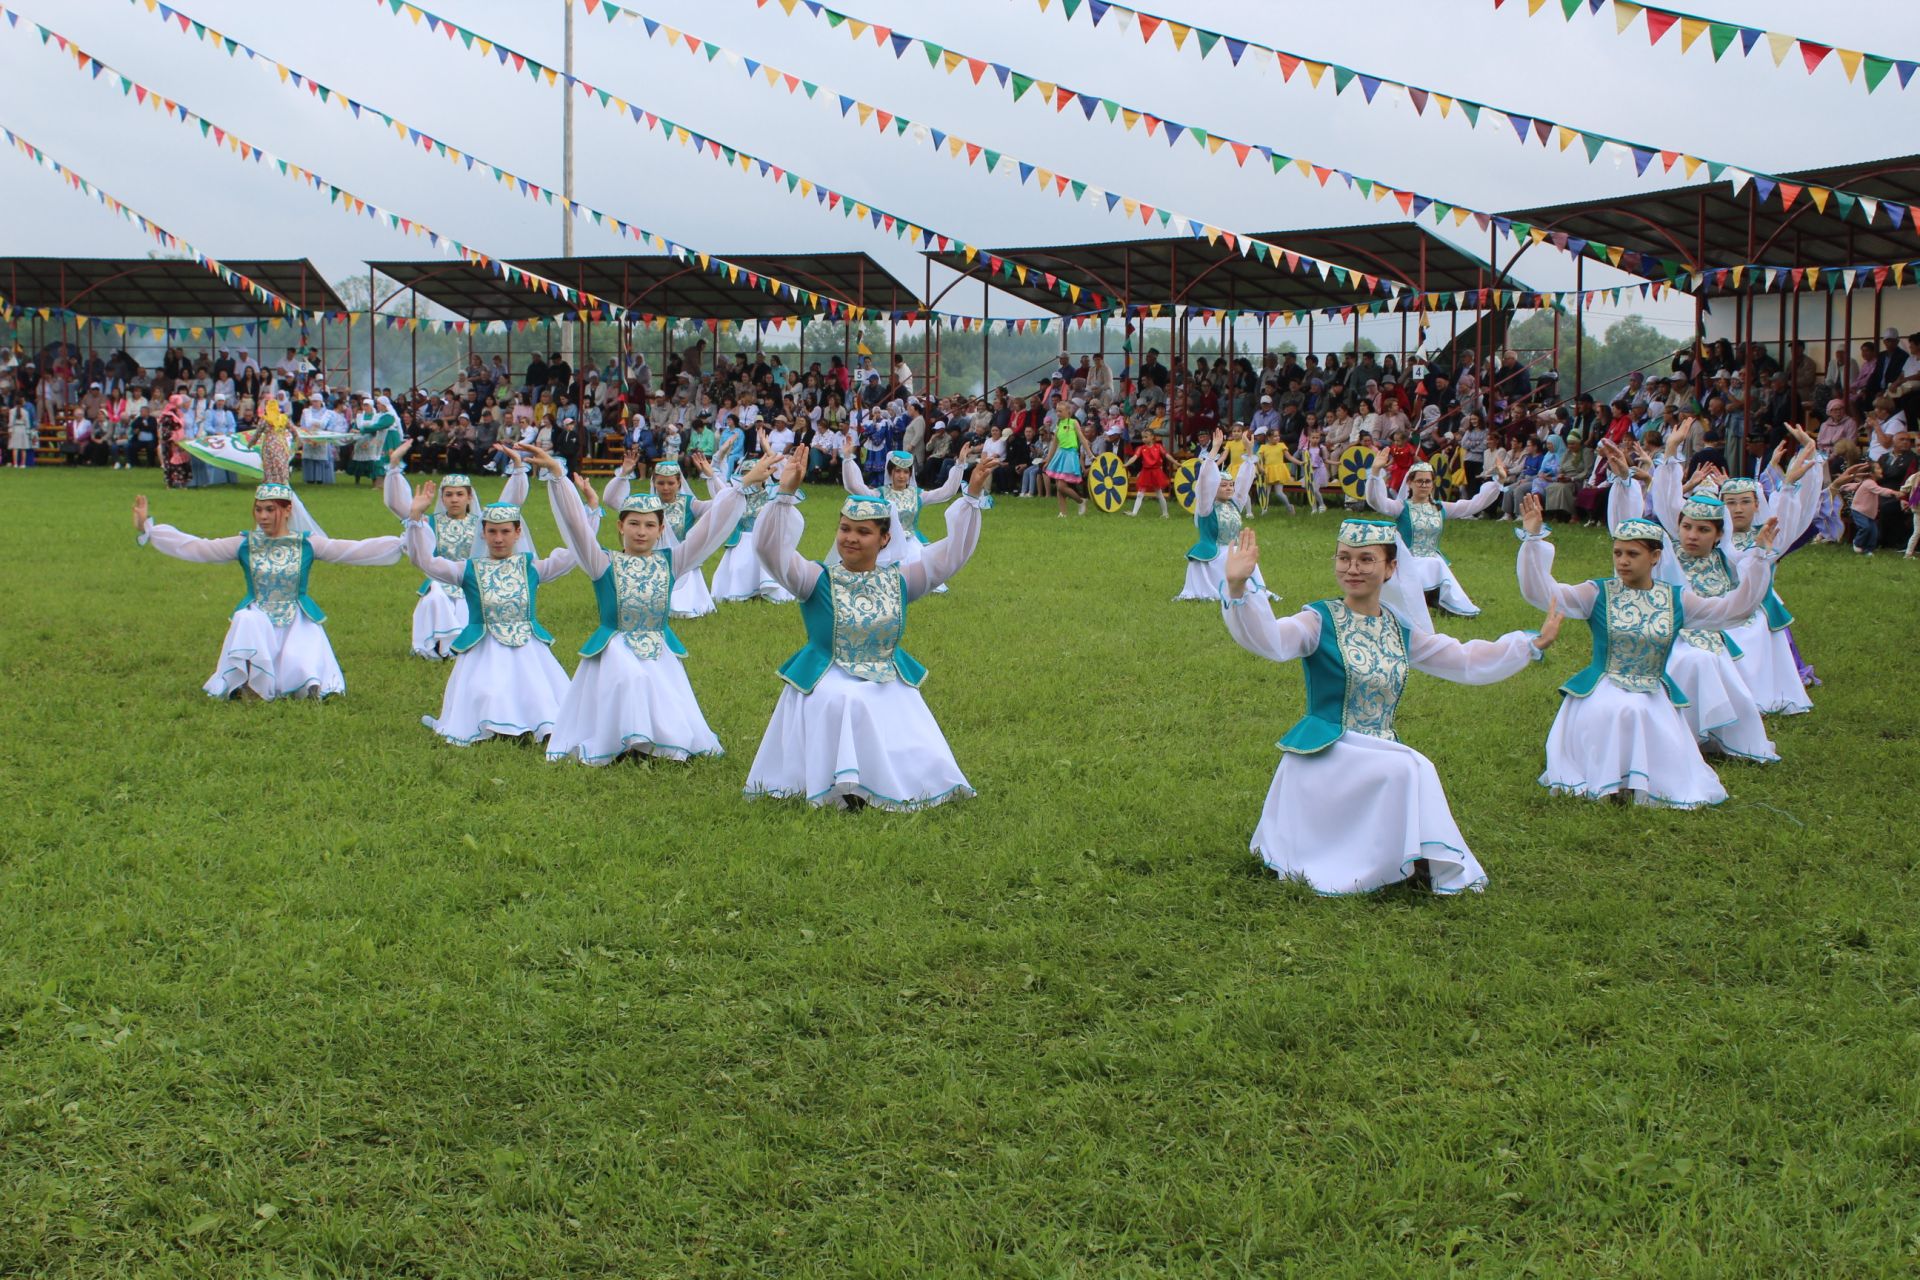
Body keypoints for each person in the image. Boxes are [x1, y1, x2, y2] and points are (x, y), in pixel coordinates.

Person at [1218, 522, 1561, 895]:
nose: (1353, 568)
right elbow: (1270, 640)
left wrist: (1527, 644)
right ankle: (1401, 867)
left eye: (1366, 559)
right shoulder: (1318, 620)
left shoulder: (1397, 626)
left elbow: (1459, 657)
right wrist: (1238, 588)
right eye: (1344, 558)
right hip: (1329, 748)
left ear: (1391, 568)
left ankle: (1409, 863)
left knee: (1406, 764)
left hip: (1380, 745)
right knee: (1412, 766)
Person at [744, 450, 998, 810]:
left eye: (863, 532)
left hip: (886, 673)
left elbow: (951, 555)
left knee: (886, 697)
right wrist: (784, 496)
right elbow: (771, 551)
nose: (850, 538)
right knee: (848, 699)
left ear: (884, 539)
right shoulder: (816, 579)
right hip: (827, 675)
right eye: (845, 529)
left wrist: (971, 496)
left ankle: (888, 780)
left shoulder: (900, 580)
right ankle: (843, 786)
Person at [1516, 494, 1782, 808]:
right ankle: (1609, 777)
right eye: (1617, 553)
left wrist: (1760, 560)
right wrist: (1533, 539)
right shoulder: (1597, 592)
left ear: (1655, 557)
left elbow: (1733, 610)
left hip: (1653, 690)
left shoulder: (1676, 599)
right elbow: (1543, 593)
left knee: (1642, 711)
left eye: (1632, 554)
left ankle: (1639, 779)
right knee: (1625, 709)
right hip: (1604, 686)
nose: (1622, 561)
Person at [529, 441, 757, 764]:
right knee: (631, 678)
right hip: (614, 647)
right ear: (620, 526)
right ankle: (626, 741)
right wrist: (558, 478)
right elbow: (577, 528)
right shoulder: (602, 562)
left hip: (659, 647)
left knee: (659, 692)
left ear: (661, 529)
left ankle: (655, 742)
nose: (641, 532)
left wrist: (742, 486)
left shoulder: (672, 561)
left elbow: (710, 528)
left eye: (650, 525)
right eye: (633, 523)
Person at [131, 484, 404, 701]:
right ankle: (252, 685)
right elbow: (198, 547)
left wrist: (406, 541)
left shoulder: (307, 544)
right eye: (258, 509)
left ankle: (298, 682)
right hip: (258, 616)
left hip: (296, 618)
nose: (262, 516)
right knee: (245, 619)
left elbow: (353, 550)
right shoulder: (244, 543)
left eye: (269, 510)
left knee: (304, 659)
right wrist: (150, 528)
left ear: (287, 511)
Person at [1601, 439, 1777, 763]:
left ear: (1718, 535)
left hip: (1710, 633)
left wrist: (1761, 554)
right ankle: (1676, 736)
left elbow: (1746, 594)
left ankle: (1705, 736)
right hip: (1666, 632)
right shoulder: (1665, 553)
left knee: (1705, 660)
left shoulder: (1729, 557)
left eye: (1702, 530)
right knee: (1691, 660)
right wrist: (1630, 481)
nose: (1692, 535)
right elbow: (1628, 532)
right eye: (1686, 527)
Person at [402, 481, 579, 746]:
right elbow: (425, 561)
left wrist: (584, 512)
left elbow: (576, 553)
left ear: (518, 532)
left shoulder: (532, 567)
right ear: (482, 533)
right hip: (483, 648)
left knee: (538, 690)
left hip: (528, 646)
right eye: (492, 532)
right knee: (488, 691)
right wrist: (416, 519)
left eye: (505, 531)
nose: (498, 538)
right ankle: (497, 724)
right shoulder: (468, 569)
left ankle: (539, 724)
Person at [381, 440, 531, 658]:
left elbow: (510, 504)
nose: (454, 499)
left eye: (460, 494)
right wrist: (394, 466)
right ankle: (437, 646)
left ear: (469, 497)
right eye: (449, 494)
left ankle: (454, 646)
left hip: (472, 581)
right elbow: (401, 507)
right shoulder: (429, 522)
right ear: (442, 497)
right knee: (436, 597)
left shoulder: (483, 523)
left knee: (465, 604)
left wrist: (518, 466)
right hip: (439, 582)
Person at [1363, 457, 1508, 628]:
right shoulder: (1402, 507)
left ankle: (1435, 600)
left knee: (1434, 565)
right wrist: (1374, 474)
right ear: (1410, 483)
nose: (1424, 485)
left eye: (1427, 481)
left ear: (1432, 484)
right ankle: (1422, 601)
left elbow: (1474, 505)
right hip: (1407, 562)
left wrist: (1499, 481)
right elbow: (1378, 502)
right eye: (1419, 481)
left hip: (1433, 560)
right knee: (1429, 567)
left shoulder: (1440, 507)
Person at [837, 445, 974, 596]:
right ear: (891, 473)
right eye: (898, 471)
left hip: (910, 544)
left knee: (920, 575)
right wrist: (848, 459)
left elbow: (946, 492)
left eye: (906, 472)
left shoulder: (917, 495)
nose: (902, 476)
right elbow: (854, 486)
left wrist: (960, 464)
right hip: (885, 544)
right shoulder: (880, 494)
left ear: (910, 474)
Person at [603, 457, 717, 619]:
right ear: (653, 483)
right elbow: (610, 500)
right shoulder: (645, 504)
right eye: (661, 483)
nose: (665, 488)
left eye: (671, 483)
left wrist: (712, 476)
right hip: (648, 564)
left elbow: (723, 504)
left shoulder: (690, 504)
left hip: (681, 564)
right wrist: (623, 474)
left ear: (679, 483)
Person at [1177, 430, 1265, 602]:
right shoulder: (1206, 508)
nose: (1229, 488)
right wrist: (1214, 450)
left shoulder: (1235, 503)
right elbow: (1205, 480)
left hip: (1232, 549)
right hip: (1214, 552)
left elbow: (1245, 481)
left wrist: (1249, 452)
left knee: (1243, 555)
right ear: (1214, 487)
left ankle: (1246, 588)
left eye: (1231, 485)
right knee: (1229, 556)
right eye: (1224, 485)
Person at [1045, 401, 1087, 516]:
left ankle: (1080, 500)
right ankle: (1063, 512)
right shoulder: (1059, 425)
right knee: (1059, 486)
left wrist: (1089, 453)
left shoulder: (1074, 423)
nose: (1058, 413)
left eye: (1060, 411)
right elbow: (1054, 444)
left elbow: (1082, 439)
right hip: (1060, 455)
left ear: (1068, 411)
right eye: (1057, 411)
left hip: (1070, 455)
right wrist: (1048, 460)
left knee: (1061, 486)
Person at [1125, 431, 1173, 517]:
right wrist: (1126, 464)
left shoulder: (1158, 447)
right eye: (1143, 437)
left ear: (1152, 437)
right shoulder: (1141, 448)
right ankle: (1134, 513)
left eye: (1146, 437)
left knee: (1159, 493)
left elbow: (1167, 455)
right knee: (1140, 493)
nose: (1144, 439)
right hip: (1145, 473)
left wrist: (1176, 462)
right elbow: (1134, 457)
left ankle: (1165, 513)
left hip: (1156, 473)